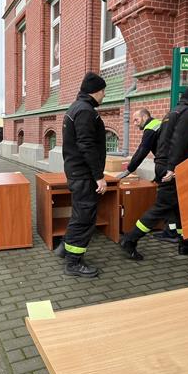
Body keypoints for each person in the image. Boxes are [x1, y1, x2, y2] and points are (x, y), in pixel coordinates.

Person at [119, 86, 188, 260]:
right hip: (172, 168)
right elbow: (179, 141)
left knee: (180, 206)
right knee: (161, 207)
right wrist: (172, 167)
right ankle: (130, 240)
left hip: (164, 165)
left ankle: (187, 244)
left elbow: (165, 142)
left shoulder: (173, 112)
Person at [57, 72, 108, 277]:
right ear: (96, 91)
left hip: (77, 171)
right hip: (84, 174)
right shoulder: (86, 111)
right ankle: (74, 263)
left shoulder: (75, 107)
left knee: (80, 214)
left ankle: (64, 247)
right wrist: (98, 176)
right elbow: (86, 145)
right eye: (103, 91)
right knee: (85, 218)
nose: (104, 95)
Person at [116, 109, 179, 244]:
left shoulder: (150, 128)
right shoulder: (158, 124)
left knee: (162, 203)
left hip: (166, 169)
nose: (134, 123)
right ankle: (172, 231)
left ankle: (132, 238)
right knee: (171, 202)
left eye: (136, 120)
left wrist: (128, 170)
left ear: (145, 117)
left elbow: (142, 151)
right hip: (171, 167)